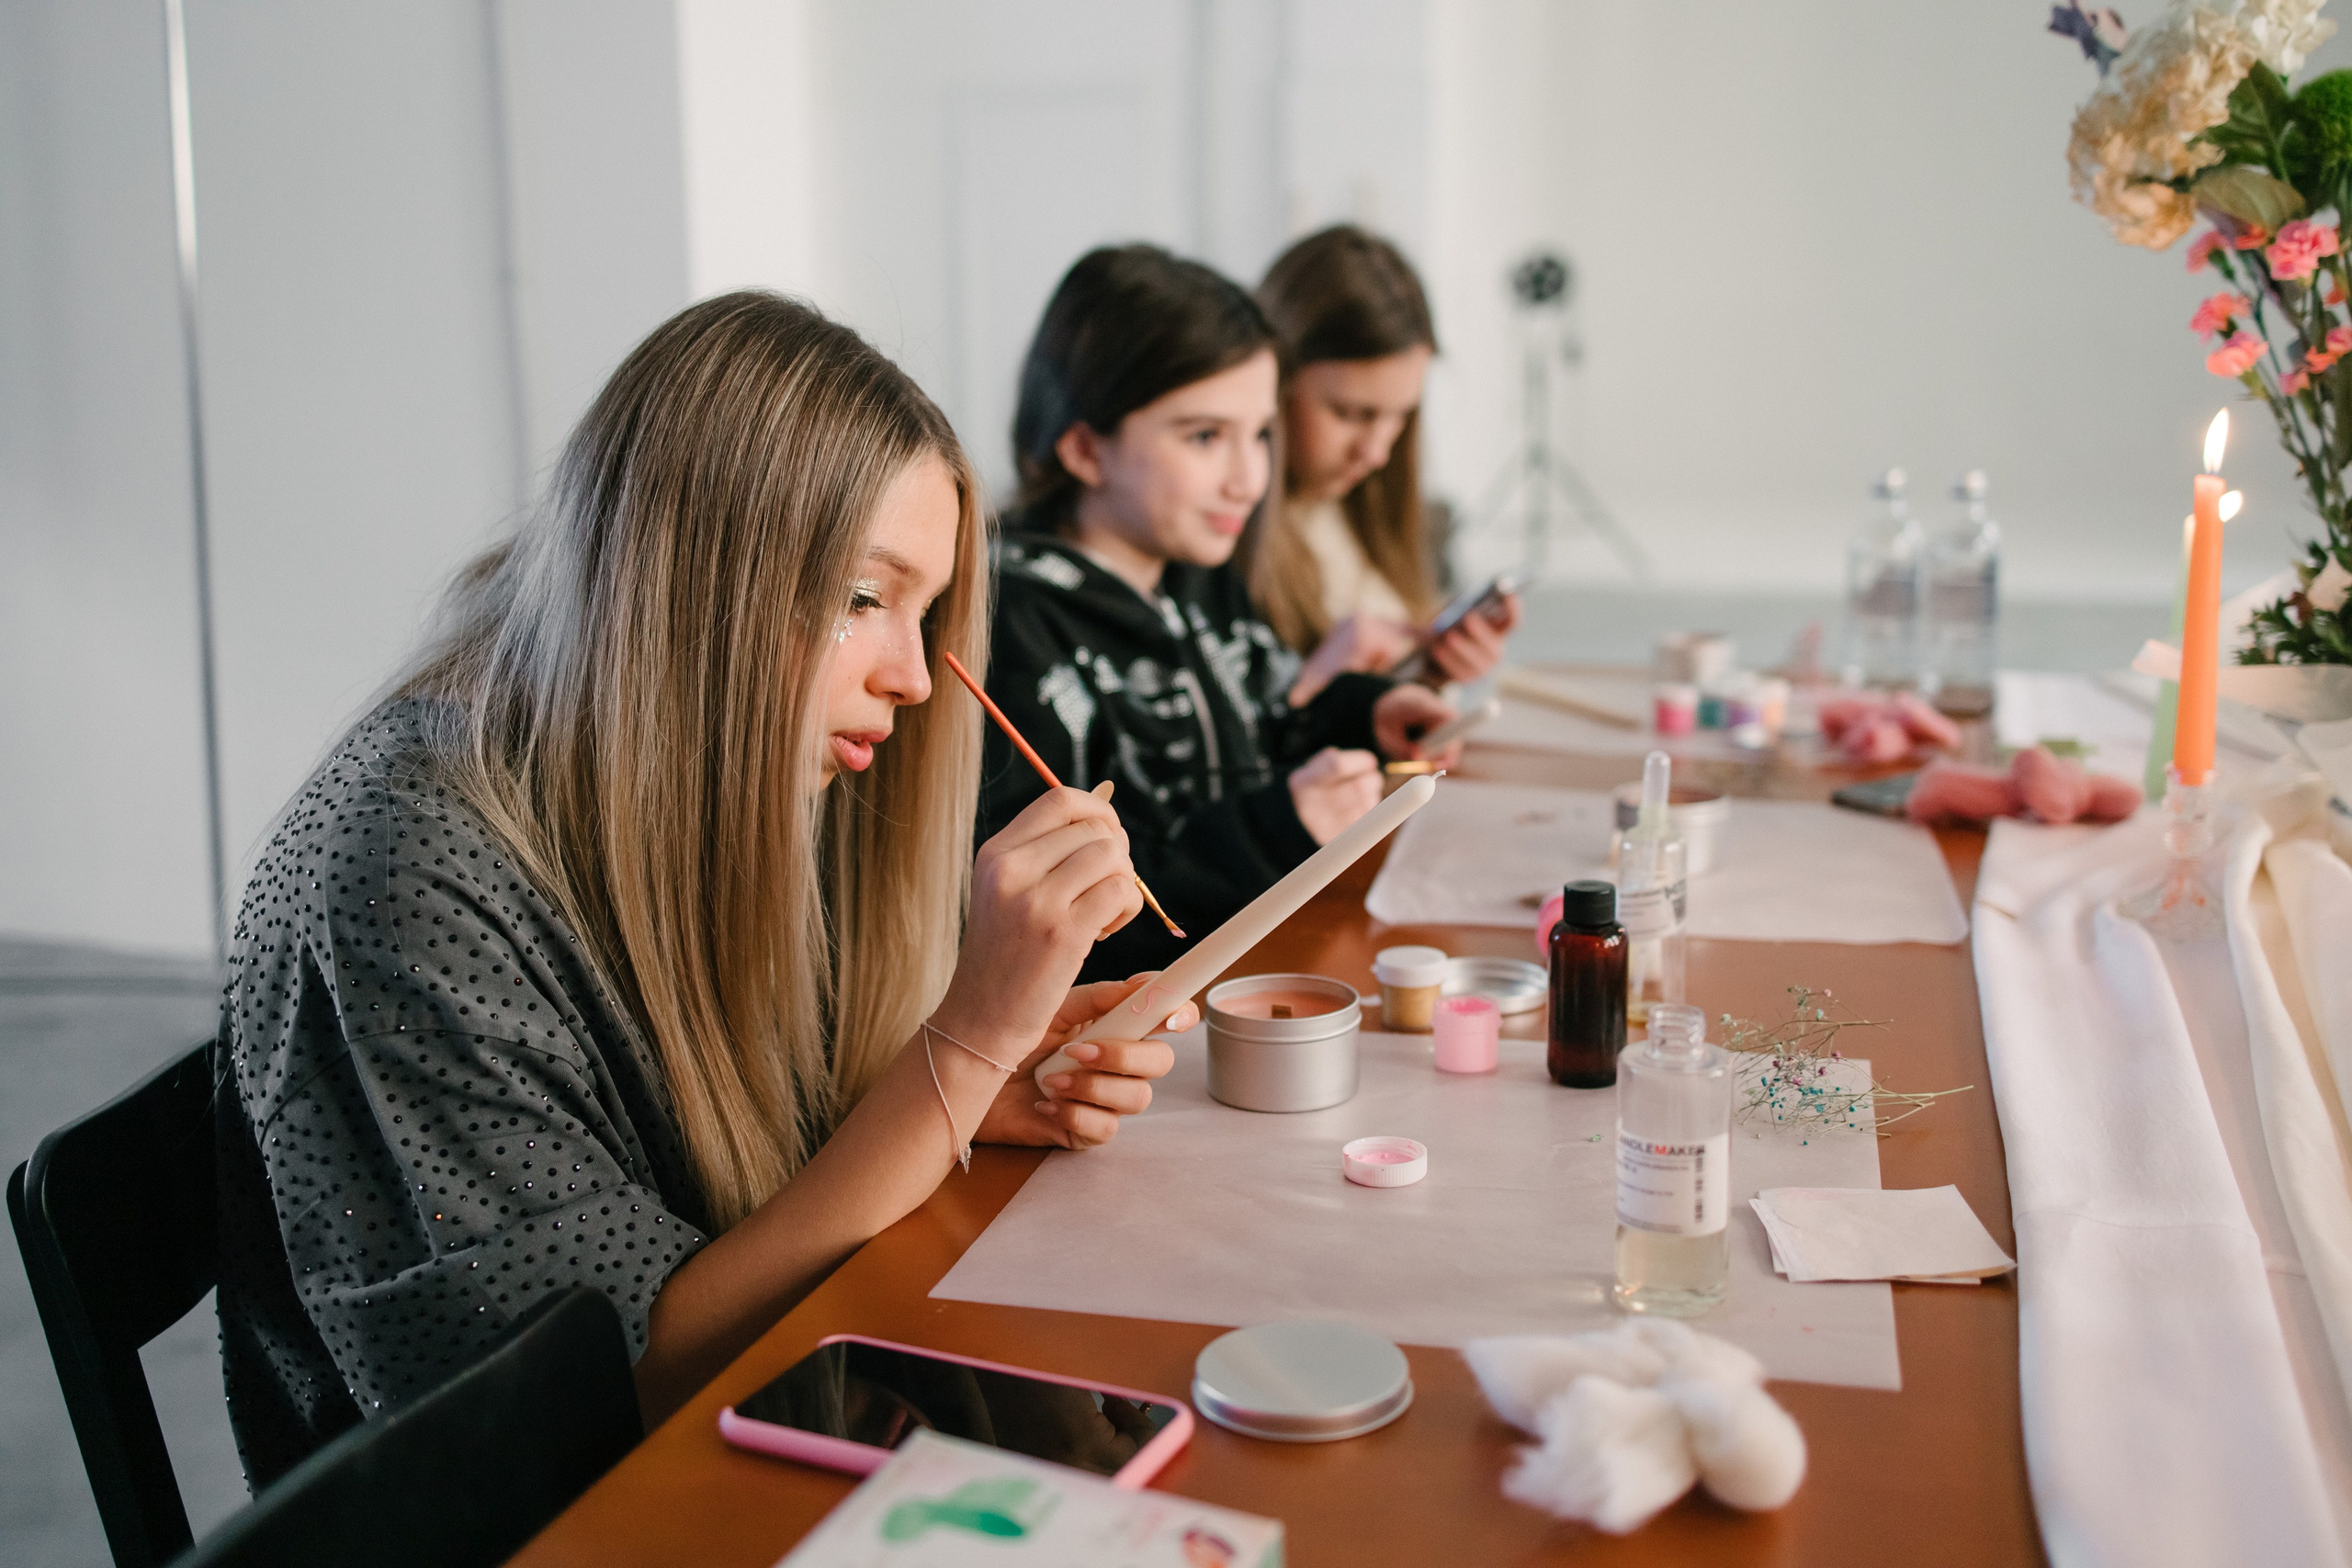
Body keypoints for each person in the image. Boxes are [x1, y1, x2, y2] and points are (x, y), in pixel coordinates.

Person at [214, 292, 1190, 1487]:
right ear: (695, 580)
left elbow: (740, 1165)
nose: (912, 674)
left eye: (923, 610)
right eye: (861, 597)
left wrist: (976, 1084)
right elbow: (606, 1392)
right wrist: (966, 1040)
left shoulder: (692, 764)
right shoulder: (406, 869)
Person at [980, 244, 1456, 986]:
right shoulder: (1014, 630)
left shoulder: (1201, 573)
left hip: (1246, 972)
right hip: (1122, 1030)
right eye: (1205, 437)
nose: (1249, 479)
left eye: (1259, 434)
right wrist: (1277, 831)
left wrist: (1367, 714)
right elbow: (1065, 925)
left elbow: (1269, 720)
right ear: (1083, 447)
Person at [1250, 225, 1522, 703]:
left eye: (1400, 417)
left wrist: (1432, 671)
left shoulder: (1357, 508)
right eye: (1352, 414)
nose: (1376, 454)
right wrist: (1311, 690)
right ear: (1273, 384)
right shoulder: (1219, 538)